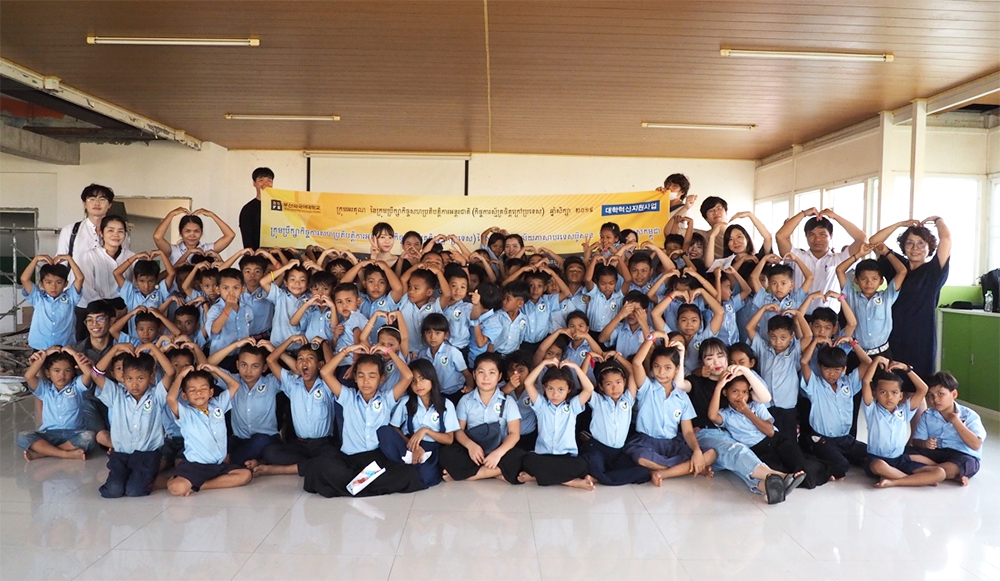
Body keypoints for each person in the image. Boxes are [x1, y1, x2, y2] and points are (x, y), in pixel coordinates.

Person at [626, 334, 717, 486]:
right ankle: (687, 469)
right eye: (657, 366)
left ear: (676, 369)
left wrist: (696, 452)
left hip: (673, 444)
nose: (661, 372)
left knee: (711, 454)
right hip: (647, 442)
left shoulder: (682, 397)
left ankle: (663, 473)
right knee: (641, 458)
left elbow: (688, 432)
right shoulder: (647, 388)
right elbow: (636, 362)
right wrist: (653, 336)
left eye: (668, 367)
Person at [868, 216, 952, 379]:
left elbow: (946, 239)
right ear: (903, 246)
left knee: (917, 383)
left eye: (921, 243)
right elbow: (874, 241)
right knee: (889, 381)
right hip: (891, 334)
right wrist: (899, 224)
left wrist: (937, 219)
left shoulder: (934, 270)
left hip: (921, 336)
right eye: (909, 243)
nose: (915, 248)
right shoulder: (896, 264)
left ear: (929, 247)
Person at [92, 345, 175, 497]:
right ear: (123, 378)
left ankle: (155, 479)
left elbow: (170, 372)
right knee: (113, 491)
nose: (134, 384)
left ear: (151, 376)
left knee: (135, 491)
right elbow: (96, 374)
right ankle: (140, 478)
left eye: (140, 378)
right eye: (129, 379)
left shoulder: (156, 396)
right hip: (121, 454)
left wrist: (153, 347)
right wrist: (115, 348)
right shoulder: (116, 395)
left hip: (147, 455)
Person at [165, 364, 253, 496]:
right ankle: (186, 480)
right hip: (196, 466)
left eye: (203, 388)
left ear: (211, 392)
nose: (198, 393)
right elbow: (170, 398)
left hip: (218, 464)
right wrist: (181, 376)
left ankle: (200, 485)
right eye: (192, 390)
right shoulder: (186, 414)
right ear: (184, 396)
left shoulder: (218, 405)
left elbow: (235, 385)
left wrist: (215, 370)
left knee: (245, 475)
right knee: (176, 488)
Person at [439, 353, 526, 484]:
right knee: (446, 453)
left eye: (492, 373)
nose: (486, 377)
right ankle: (496, 472)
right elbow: (458, 431)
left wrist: (498, 454)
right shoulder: (465, 401)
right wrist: (471, 446)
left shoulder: (508, 402)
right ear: (474, 375)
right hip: (473, 453)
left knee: (519, 455)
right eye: (481, 372)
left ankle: (468, 475)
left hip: (498, 450)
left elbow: (514, 434)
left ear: (499, 376)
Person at [860, 356, 943, 488]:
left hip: (899, 460)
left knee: (940, 473)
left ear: (901, 396)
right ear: (874, 393)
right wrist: (876, 361)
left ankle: (895, 480)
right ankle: (915, 480)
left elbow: (923, 389)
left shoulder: (904, 411)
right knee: (878, 465)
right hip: (877, 459)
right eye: (883, 392)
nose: (889, 397)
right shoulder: (872, 411)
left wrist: (906, 369)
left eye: (894, 392)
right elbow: (865, 381)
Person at [517, 358, 596, 490]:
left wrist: (576, 368)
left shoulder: (572, 406)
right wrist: (543, 363)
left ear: (568, 389)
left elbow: (589, 389)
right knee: (528, 461)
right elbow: (528, 383)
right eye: (550, 389)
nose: (555, 394)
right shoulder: (541, 405)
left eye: (561, 390)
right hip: (543, 456)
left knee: (582, 465)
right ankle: (571, 482)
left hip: (566, 457)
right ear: (544, 388)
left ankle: (537, 477)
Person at [799, 339, 872, 478]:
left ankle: (838, 457)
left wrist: (852, 342)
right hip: (823, 439)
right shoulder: (815, 385)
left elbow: (867, 362)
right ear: (819, 367)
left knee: (872, 455)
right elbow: (804, 362)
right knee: (841, 467)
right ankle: (816, 455)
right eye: (826, 369)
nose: (831, 374)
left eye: (837, 369)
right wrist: (815, 341)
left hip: (845, 439)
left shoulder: (848, 383)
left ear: (844, 369)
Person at [379, 359, 459, 486]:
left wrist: (425, 431)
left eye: (422, 379)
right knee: (384, 431)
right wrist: (413, 446)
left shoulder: (446, 405)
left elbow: (449, 439)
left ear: (432, 378)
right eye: (414, 381)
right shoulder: (405, 402)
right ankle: (407, 460)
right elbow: (394, 428)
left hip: (432, 449)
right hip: (407, 446)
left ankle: (408, 466)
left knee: (424, 478)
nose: (418, 384)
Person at [775, 208, 867, 314]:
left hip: (829, 320)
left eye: (822, 234)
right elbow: (780, 236)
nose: (817, 239)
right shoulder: (796, 257)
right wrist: (803, 214)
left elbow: (862, 239)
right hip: (798, 317)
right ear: (806, 237)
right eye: (812, 234)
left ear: (831, 236)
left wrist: (835, 216)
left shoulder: (839, 259)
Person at [17, 347, 95, 461]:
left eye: (67, 370)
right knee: (23, 436)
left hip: (74, 433)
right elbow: (28, 376)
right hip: (49, 434)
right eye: (56, 371)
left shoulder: (76, 387)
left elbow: (89, 373)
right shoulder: (45, 389)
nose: (62, 375)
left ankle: (44, 453)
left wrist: (74, 353)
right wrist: (44, 354)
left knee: (89, 437)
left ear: (73, 372)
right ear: (48, 373)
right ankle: (66, 454)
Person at [909, 372, 986, 486]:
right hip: (936, 454)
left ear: (954, 394)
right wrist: (925, 443)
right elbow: (916, 442)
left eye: (940, 394)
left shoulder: (969, 415)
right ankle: (941, 473)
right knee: (904, 452)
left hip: (961, 455)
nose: (935, 399)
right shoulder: (927, 415)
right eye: (931, 395)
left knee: (966, 463)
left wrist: (956, 422)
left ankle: (927, 473)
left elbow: (975, 445)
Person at [835, 243, 906, 356]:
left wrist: (886, 252)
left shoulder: (887, 297)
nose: (869, 283)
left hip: (882, 354)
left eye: (874, 279)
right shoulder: (851, 296)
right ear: (856, 280)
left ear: (881, 281)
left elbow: (902, 271)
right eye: (864, 278)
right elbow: (839, 270)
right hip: (856, 354)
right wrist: (859, 254)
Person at [76, 214, 132, 339]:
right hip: (96, 308)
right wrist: (111, 311)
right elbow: (87, 288)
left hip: (124, 309)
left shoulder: (131, 257)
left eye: (120, 231)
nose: (116, 235)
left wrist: (124, 310)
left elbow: (136, 286)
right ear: (101, 233)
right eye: (110, 230)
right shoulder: (90, 256)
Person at [20, 254, 84, 351]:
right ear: (42, 284)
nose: (53, 287)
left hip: (64, 347)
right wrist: (35, 260)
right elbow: (24, 279)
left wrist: (69, 259)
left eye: (59, 282)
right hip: (40, 347)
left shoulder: (70, 297)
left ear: (65, 284)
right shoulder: (38, 298)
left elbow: (80, 278)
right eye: (48, 282)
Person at [153, 207, 236, 265]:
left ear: (201, 232)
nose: (192, 235)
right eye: (187, 231)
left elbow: (230, 235)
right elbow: (157, 237)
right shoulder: (174, 250)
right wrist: (171, 214)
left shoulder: (207, 249)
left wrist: (212, 215)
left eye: (196, 231)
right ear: (181, 233)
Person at [239, 167, 274, 250]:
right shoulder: (248, 209)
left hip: (279, 255)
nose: (266, 183)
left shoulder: (280, 206)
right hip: (258, 255)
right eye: (261, 180)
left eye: (269, 180)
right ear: (254, 183)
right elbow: (247, 239)